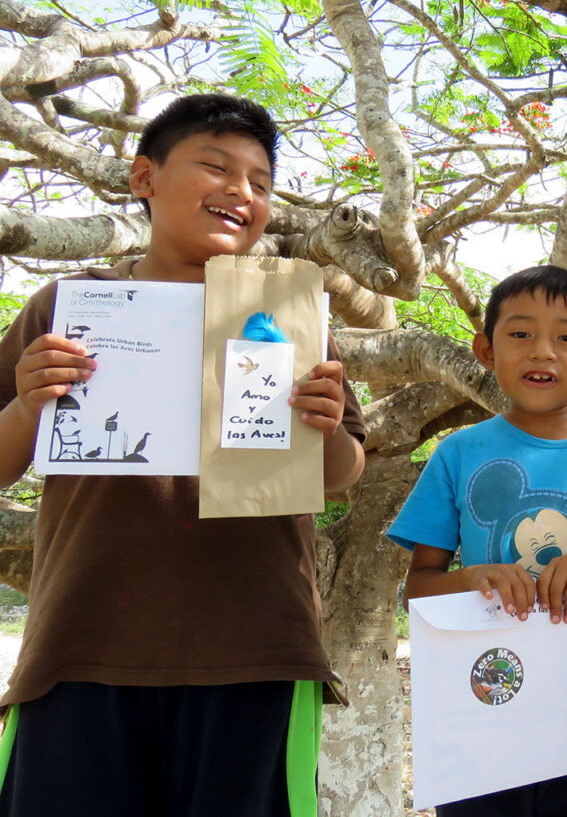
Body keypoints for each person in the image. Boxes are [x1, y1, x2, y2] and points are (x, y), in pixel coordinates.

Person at [0, 94, 366, 817]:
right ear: (144, 178)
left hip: (259, 649)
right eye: (216, 167)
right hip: (79, 646)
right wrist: (26, 403)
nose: (242, 192)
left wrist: (324, 429)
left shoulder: (291, 317)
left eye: (261, 182)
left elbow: (343, 474)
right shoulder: (68, 306)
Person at [387, 264, 567, 817]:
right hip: (484, 716)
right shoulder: (456, 454)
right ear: (485, 350)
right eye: (520, 334)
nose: (543, 352)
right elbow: (417, 592)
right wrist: (471, 579)